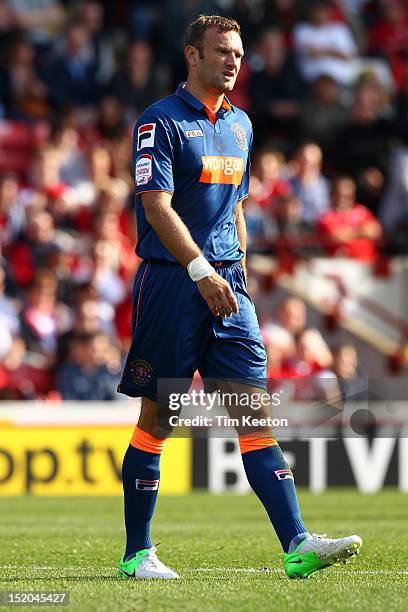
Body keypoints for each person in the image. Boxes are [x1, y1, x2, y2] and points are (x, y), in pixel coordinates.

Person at [117, 14, 362, 581]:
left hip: (229, 286)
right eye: (222, 51)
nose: (233, 61)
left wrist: (239, 275)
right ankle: (137, 554)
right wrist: (201, 270)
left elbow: (237, 209)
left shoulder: (243, 125)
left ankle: (297, 544)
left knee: (253, 413)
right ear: (192, 56)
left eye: (238, 52)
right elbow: (157, 206)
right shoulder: (160, 122)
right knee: (160, 416)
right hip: (175, 284)